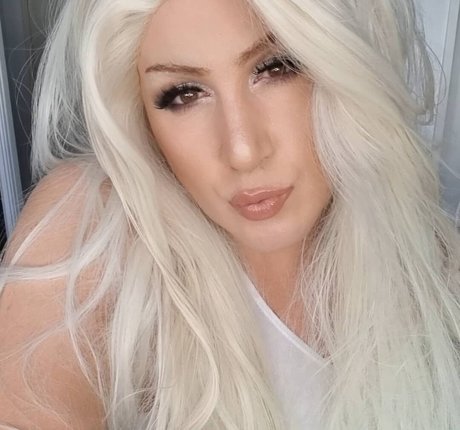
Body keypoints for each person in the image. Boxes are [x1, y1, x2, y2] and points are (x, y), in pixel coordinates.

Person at [1, 0, 459, 428]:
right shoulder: (94, 222)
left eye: (277, 67)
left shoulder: (434, 263)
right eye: (183, 94)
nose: (243, 151)